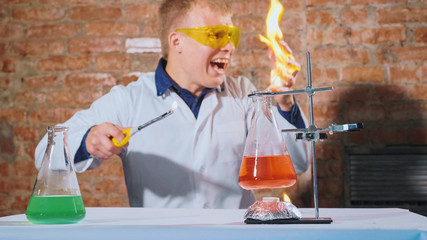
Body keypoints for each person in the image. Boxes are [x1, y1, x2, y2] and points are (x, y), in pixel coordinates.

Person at [35, 0, 309, 209]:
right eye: (215, 35)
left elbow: (297, 162)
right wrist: (87, 141)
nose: (229, 46)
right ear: (177, 41)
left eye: (231, 35)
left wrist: (284, 101)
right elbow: (43, 155)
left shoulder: (245, 95)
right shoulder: (128, 100)